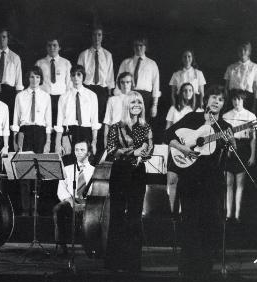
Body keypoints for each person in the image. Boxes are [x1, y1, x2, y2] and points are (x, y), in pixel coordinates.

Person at [166, 85, 231, 273]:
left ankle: (205, 268)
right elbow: (168, 134)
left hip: (212, 182)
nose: (216, 101)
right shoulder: (192, 118)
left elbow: (227, 158)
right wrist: (183, 148)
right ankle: (187, 266)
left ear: (223, 104)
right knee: (190, 221)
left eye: (220, 99)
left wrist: (230, 143)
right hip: (191, 180)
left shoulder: (225, 127)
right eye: (213, 97)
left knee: (210, 221)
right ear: (206, 100)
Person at [104, 91, 153, 272]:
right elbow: (110, 150)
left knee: (134, 216)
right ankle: (114, 262)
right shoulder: (116, 127)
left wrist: (144, 152)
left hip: (138, 173)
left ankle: (133, 262)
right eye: (133, 103)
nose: (137, 106)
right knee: (117, 215)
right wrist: (134, 152)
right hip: (120, 172)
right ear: (126, 105)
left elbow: (149, 150)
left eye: (139, 103)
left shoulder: (146, 127)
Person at [11, 66, 52, 216]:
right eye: (32, 77)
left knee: (38, 172)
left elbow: (48, 122)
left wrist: (47, 142)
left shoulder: (46, 96)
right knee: (25, 172)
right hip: (25, 132)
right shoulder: (20, 96)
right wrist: (15, 139)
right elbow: (15, 119)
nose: (34, 80)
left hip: (40, 133)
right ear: (27, 79)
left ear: (41, 79)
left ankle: (35, 209)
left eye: (37, 77)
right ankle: (25, 209)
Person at [53, 139, 94, 256]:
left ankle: (90, 245)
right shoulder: (67, 169)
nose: (78, 152)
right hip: (70, 200)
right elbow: (61, 190)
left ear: (88, 153)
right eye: (76, 150)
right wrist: (71, 202)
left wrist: (84, 204)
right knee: (58, 209)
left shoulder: (95, 171)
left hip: (88, 202)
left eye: (82, 150)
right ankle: (61, 245)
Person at [165, 82, 200, 217]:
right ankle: (172, 211)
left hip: (190, 149)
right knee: (172, 179)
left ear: (193, 93)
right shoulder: (173, 109)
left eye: (190, 90)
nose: (187, 93)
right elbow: (167, 130)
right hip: (175, 147)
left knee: (185, 181)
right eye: (184, 90)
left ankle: (182, 211)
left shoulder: (198, 110)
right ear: (181, 93)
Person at [222, 90, 256, 223]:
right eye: (234, 99)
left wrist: (252, 155)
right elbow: (223, 136)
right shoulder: (225, 115)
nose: (237, 102)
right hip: (229, 149)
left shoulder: (250, 115)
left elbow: (253, 138)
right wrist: (227, 147)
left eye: (239, 100)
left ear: (243, 100)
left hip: (243, 149)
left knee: (240, 184)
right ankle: (228, 215)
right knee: (229, 184)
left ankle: (237, 215)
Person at [55, 65, 100, 156]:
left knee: (83, 163)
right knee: (68, 161)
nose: (76, 77)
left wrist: (94, 142)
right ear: (70, 77)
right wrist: (57, 144)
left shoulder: (92, 95)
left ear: (83, 77)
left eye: (79, 74)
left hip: (85, 131)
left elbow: (95, 121)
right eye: (73, 75)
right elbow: (59, 122)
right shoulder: (63, 97)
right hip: (69, 132)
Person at [35, 38, 72, 148]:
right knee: (46, 124)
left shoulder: (66, 63)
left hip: (60, 98)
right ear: (46, 47)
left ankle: (59, 149)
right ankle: (46, 147)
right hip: (45, 98)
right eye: (49, 45)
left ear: (59, 47)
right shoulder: (40, 63)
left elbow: (69, 84)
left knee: (60, 124)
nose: (52, 48)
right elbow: (37, 83)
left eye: (55, 45)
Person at [77, 25, 114, 123]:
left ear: (102, 37)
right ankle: (88, 138)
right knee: (87, 116)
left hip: (102, 90)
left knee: (101, 117)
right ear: (91, 37)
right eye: (94, 35)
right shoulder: (84, 54)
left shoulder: (107, 55)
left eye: (99, 35)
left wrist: (110, 94)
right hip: (87, 88)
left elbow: (110, 75)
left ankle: (99, 138)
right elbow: (79, 75)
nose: (97, 37)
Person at [117, 37, 160, 120]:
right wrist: (120, 100)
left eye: (141, 45)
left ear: (146, 47)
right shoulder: (126, 62)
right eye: (136, 45)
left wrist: (154, 105)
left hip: (145, 98)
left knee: (143, 124)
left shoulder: (152, 64)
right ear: (133, 47)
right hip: (128, 95)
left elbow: (156, 86)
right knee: (128, 123)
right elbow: (118, 82)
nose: (138, 48)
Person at [224, 41, 257, 113]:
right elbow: (226, 87)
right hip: (233, 98)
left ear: (249, 52)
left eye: (245, 50)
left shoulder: (255, 67)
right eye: (240, 50)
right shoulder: (231, 67)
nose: (242, 52)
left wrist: (254, 105)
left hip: (247, 99)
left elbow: (256, 88)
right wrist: (226, 102)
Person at [103, 72, 133, 147]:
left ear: (132, 83)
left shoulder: (136, 100)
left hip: (131, 135)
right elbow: (107, 121)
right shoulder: (112, 100)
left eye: (128, 82)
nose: (125, 85)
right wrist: (105, 141)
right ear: (119, 84)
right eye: (122, 82)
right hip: (115, 135)